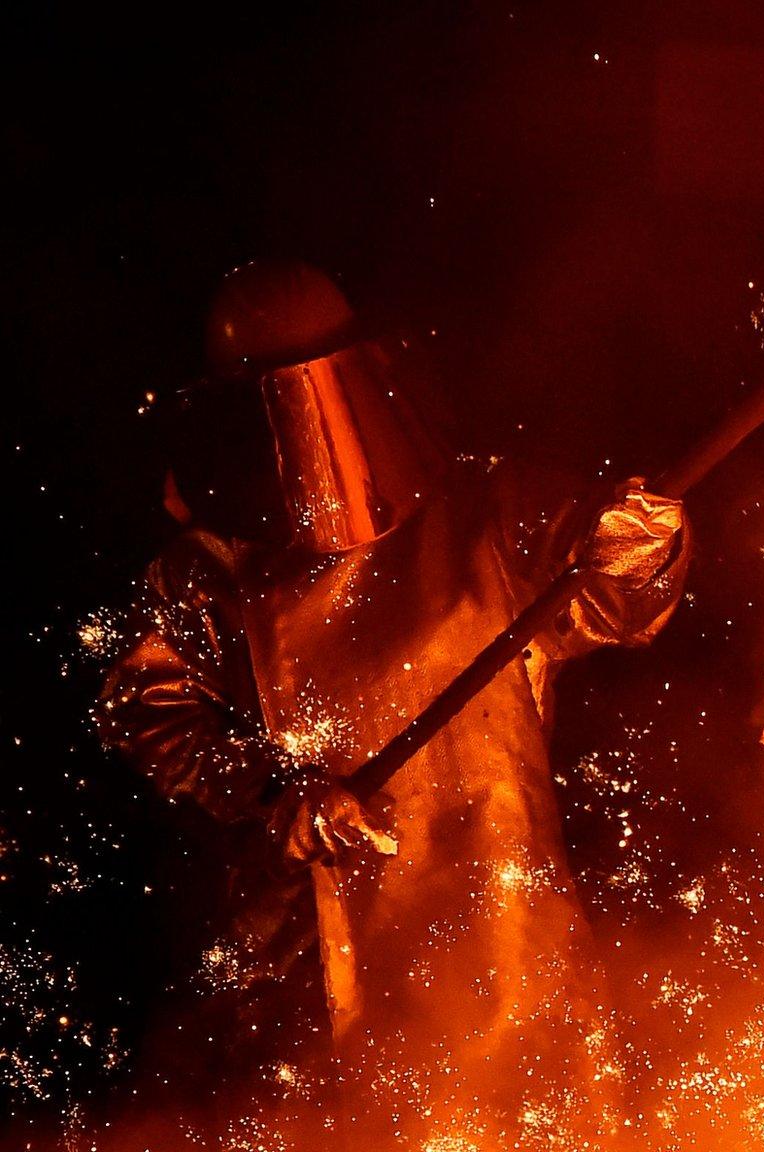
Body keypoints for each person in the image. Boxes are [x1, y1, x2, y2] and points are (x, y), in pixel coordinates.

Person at [96, 260, 687, 1127]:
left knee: (539, 1106)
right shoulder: (212, 572)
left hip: (505, 905)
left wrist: (640, 540)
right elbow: (147, 709)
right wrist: (271, 791)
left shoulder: (487, 509)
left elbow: (614, 597)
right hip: (310, 945)